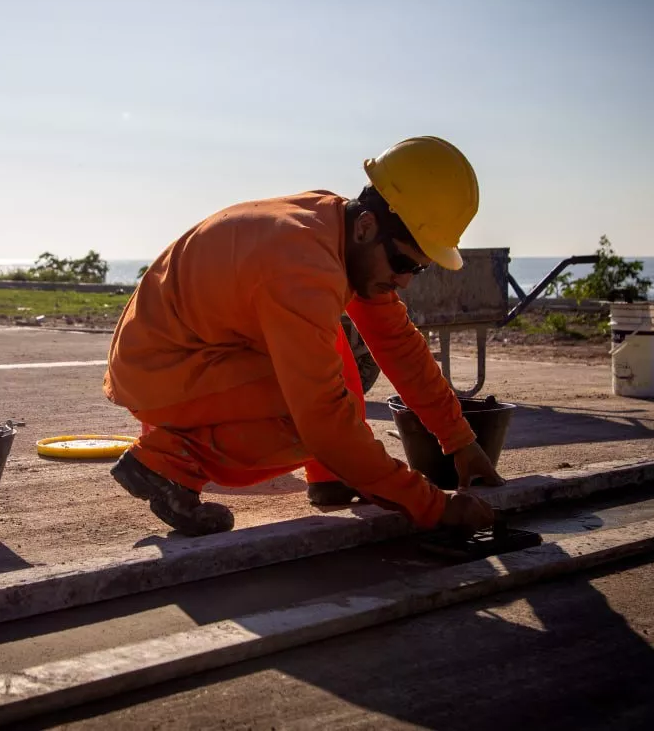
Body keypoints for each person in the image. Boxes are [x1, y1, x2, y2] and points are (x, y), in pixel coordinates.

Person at [104, 136, 503, 536]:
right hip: (159, 371)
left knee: (332, 364)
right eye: (402, 263)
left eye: (418, 269)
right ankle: (167, 463)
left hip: (185, 351)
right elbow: (325, 421)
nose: (404, 281)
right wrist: (433, 506)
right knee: (311, 418)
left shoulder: (334, 227)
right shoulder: (303, 267)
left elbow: (397, 341)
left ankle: (334, 474)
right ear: (367, 226)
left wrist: (459, 439)